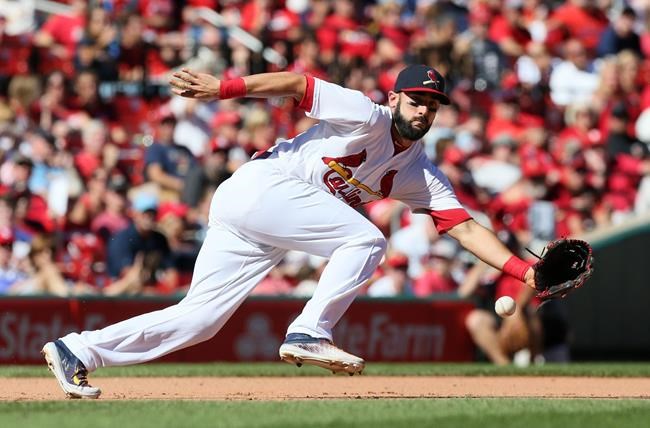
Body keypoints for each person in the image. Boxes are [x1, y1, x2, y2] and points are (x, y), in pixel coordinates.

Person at [42, 64, 537, 399]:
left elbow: (464, 228)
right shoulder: (366, 114)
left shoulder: (418, 172)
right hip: (263, 187)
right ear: (395, 98)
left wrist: (525, 271)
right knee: (366, 239)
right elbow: (300, 84)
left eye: (433, 103)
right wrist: (225, 89)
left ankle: (77, 349)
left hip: (265, 221)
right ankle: (309, 331)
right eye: (416, 99)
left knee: (200, 321)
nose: (423, 110)